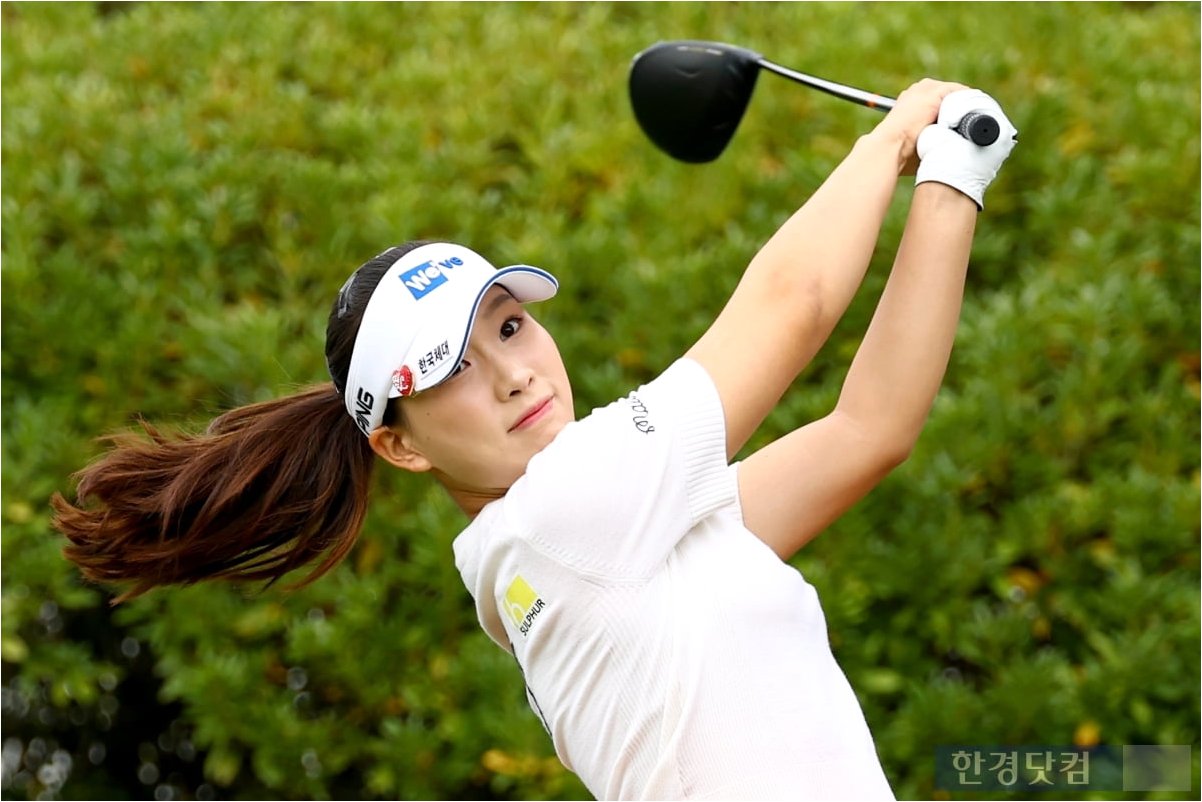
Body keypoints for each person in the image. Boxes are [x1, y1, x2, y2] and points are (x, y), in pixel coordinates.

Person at [53, 80, 1016, 800]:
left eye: (509, 326)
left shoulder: (600, 543)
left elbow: (867, 430)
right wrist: (895, 135)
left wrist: (951, 178)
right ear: (401, 447)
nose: (512, 372)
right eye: (450, 370)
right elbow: (791, 304)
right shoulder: (568, 511)